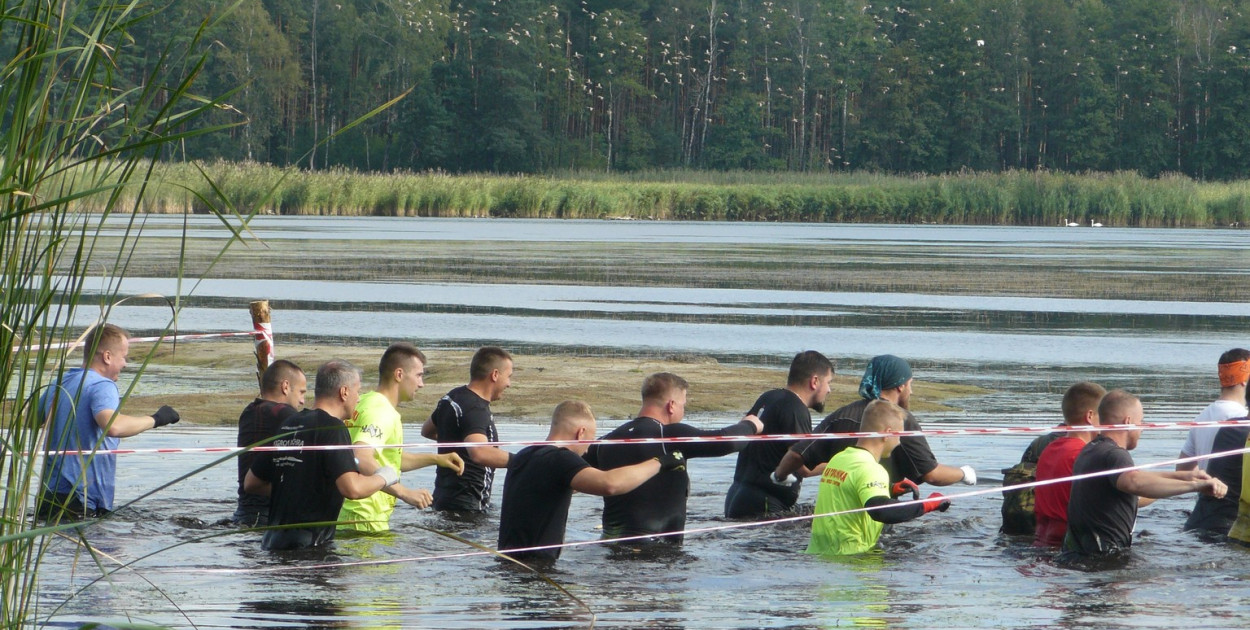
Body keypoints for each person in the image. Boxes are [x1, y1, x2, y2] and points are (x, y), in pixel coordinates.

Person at [583, 372, 764, 543]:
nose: (683, 410)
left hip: (610, 544)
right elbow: (726, 442)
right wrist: (750, 425)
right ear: (671, 405)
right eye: (683, 404)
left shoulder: (607, 441)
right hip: (658, 550)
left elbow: (573, 472)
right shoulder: (670, 435)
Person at [497, 401, 684, 562]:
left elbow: (560, 487)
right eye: (590, 441)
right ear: (581, 433)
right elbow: (609, 485)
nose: (587, 451)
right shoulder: (560, 459)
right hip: (536, 567)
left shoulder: (526, 455)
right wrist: (662, 462)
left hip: (508, 563)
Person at [244, 360, 401, 551]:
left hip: (271, 543)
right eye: (357, 391)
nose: (359, 399)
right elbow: (353, 489)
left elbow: (251, 483)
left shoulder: (288, 423)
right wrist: (384, 477)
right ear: (344, 392)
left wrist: (297, 489)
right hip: (308, 547)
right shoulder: (333, 428)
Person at [37, 324, 181, 521]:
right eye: (123, 357)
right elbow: (113, 426)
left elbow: (31, 419)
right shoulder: (102, 385)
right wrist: (156, 419)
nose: (125, 364)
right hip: (81, 500)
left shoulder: (59, 383)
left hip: (48, 496)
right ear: (107, 357)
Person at [1063, 390, 1226, 558]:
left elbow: (1137, 492)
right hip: (1102, 561)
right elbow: (1135, 483)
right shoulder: (1114, 454)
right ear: (1128, 422)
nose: (1143, 428)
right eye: (1141, 422)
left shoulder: (1090, 450)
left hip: (1077, 555)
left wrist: (1184, 476)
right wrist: (1195, 486)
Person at [774, 355, 976, 489]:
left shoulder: (842, 415)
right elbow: (932, 474)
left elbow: (797, 453)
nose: (911, 391)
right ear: (899, 386)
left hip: (840, 508)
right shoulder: (901, 420)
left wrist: (780, 476)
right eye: (910, 385)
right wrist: (963, 473)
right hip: (880, 509)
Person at [339, 343, 465, 532]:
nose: (421, 384)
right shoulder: (382, 412)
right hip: (363, 518)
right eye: (419, 375)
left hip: (345, 513)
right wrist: (404, 493)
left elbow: (386, 458)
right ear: (399, 374)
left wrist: (437, 459)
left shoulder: (364, 401)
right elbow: (360, 455)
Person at [806, 400, 951, 556]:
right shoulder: (873, 469)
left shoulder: (838, 459)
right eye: (899, 435)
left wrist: (890, 489)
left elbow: (852, 490)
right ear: (887, 434)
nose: (899, 442)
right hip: (852, 561)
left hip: (817, 554)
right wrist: (927, 505)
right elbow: (881, 511)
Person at [725, 350, 834, 518]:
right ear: (814, 381)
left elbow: (744, 427)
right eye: (828, 382)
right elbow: (804, 467)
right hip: (765, 502)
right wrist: (840, 464)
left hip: (737, 495)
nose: (829, 390)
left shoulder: (768, 397)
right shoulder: (796, 409)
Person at [422, 346, 514, 513]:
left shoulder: (452, 397)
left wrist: (460, 444)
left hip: (443, 499)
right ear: (495, 375)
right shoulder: (475, 409)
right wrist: (524, 461)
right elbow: (480, 453)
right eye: (508, 377)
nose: (509, 384)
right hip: (468, 505)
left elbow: (427, 430)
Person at [233, 359, 307, 527]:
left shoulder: (250, 411)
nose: (302, 401)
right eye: (301, 392)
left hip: (245, 510)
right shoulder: (283, 414)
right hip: (266, 513)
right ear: (286, 386)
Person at [1031, 382, 1106, 547]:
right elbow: (1124, 496)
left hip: (1041, 539)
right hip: (1067, 546)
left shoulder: (1049, 449)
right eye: (1103, 417)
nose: (1107, 422)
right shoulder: (1085, 455)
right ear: (1090, 417)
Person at [1177, 348, 1249, 472]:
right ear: (1244, 380)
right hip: (1236, 491)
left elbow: (1182, 470)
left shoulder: (1201, 418)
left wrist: (1204, 481)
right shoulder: (1243, 419)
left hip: (1208, 490)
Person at [1183, 422, 1249, 535]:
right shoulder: (1244, 433)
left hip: (1197, 521)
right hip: (1229, 529)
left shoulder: (1230, 427)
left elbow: (1182, 469)